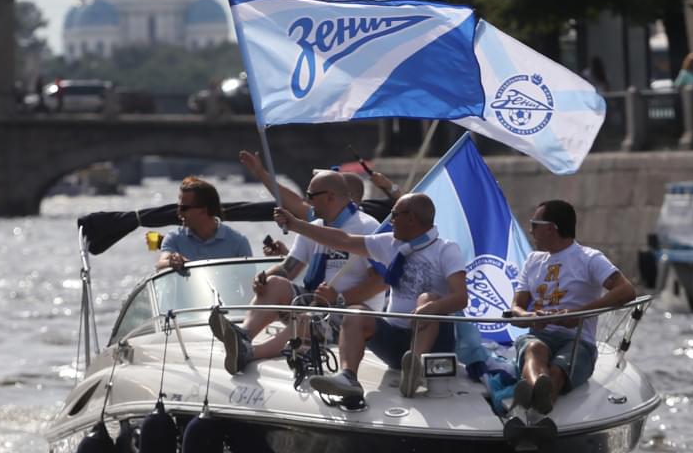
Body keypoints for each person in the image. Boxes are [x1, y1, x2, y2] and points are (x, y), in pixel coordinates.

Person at [283, 192, 467, 400]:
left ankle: (414, 367)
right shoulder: (391, 244)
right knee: (355, 312)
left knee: (428, 299)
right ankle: (348, 377)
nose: (390, 220)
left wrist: (432, 308)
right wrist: (296, 225)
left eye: (394, 214)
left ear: (411, 218)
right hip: (396, 342)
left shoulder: (446, 250)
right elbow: (342, 240)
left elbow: (461, 297)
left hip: (434, 344)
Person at [209, 168, 380, 375]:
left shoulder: (368, 228)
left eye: (311, 195)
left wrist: (339, 298)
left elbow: (380, 281)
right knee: (275, 283)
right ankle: (243, 335)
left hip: (348, 314)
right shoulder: (314, 227)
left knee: (308, 318)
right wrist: (264, 278)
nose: (307, 201)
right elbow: (288, 268)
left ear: (329, 197)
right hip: (317, 303)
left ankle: (249, 353)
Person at [509, 200, 637, 415]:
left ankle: (532, 401)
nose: (530, 231)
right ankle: (538, 394)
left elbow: (626, 290)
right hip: (538, 335)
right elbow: (516, 307)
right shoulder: (532, 261)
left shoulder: (590, 259)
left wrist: (577, 315)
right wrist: (530, 316)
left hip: (578, 340)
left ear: (551, 228)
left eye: (534, 225)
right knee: (534, 348)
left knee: (559, 369)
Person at [155, 176, 252, 269]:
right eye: (178, 207)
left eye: (183, 208)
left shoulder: (238, 242)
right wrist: (171, 262)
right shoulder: (174, 238)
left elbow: (249, 277)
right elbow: (160, 265)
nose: (179, 212)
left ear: (203, 210)